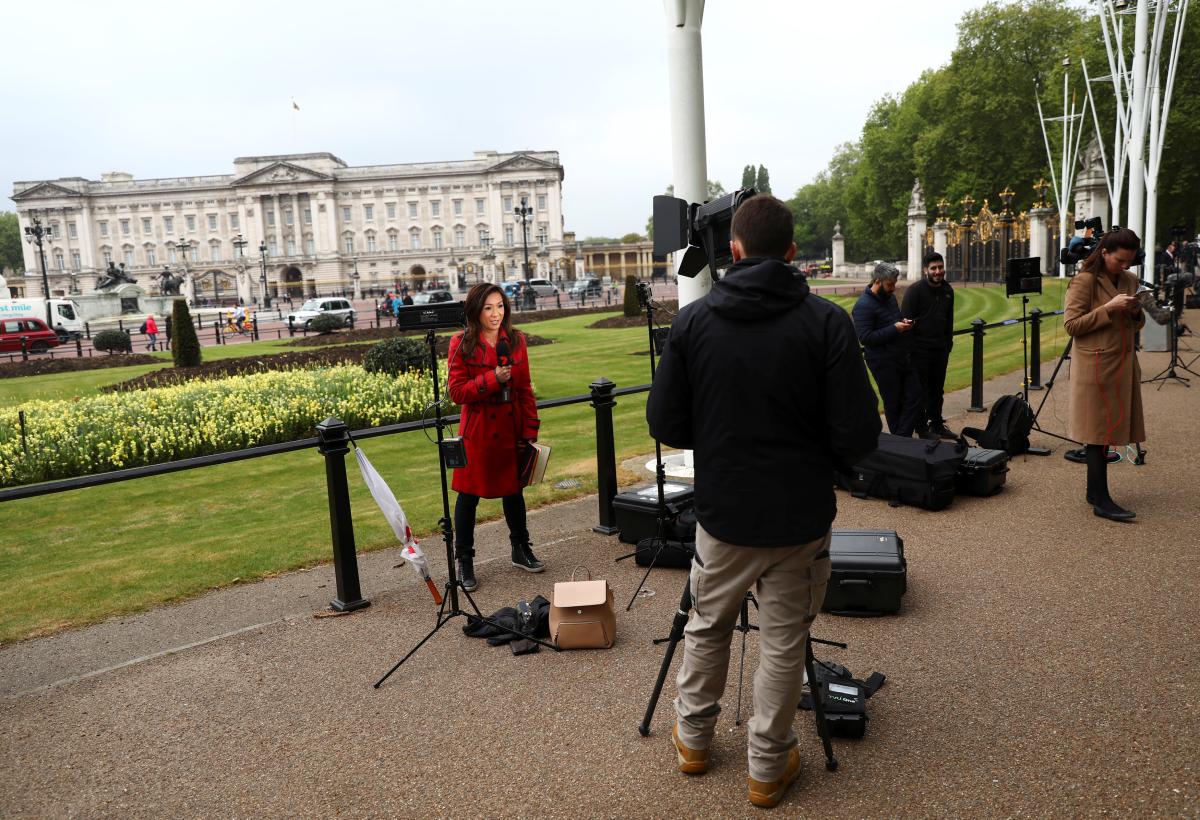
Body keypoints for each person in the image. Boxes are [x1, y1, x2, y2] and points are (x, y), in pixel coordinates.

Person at [646, 195, 881, 808]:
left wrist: (720, 437)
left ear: (734, 250)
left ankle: (694, 741)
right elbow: (858, 436)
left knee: (707, 626)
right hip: (799, 514)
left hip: (725, 512)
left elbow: (666, 421)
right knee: (782, 642)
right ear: (794, 254)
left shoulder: (694, 322)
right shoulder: (825, 321)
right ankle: (765, 767)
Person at [447, 283, 544, 591]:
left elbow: (525, 389)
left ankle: (520, 548)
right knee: (468, 497)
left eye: (500, 306)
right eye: (488, 307)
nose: (496, 313)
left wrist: (530, 431)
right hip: (476, 433)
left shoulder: (516, 341)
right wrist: (492, 379)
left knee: (514, 492)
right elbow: (457, 392)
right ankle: (465, 561)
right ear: (475, 310)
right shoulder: (460, 344)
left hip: (510, 427)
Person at [1063, 227, 1145, 522]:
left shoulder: (1130, 280)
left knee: (1108, 428)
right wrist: (1109, 307)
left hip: (1122, 364)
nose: (1124, 266)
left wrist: (1136, 312)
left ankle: (1093, 492)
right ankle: (1101, 498)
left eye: (1129, 261)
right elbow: (1072, 326)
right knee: (1098, 433)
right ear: (1105, 253)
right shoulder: (1084, 281)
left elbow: (1136, 325)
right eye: (1119, 260)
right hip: (1095, 365)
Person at [852, 262, 921, 437]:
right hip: (881, 361)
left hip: (900, 356)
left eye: (894, 283)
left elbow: (894, 320)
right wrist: (895, 328)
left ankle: (901, 439)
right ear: (877, 281)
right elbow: (865, 338)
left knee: (914, 395)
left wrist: (903, 322)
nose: (893, 288)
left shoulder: (889, 298)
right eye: (889, 284)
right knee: (893, 403)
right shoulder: (862, 306)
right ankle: (901, 442)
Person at [900, 251, 955, 437]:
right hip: (919, 350)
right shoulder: (914, 291)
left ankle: (937, 425)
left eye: (940, 267)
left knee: (937, 390)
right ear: (925, 270)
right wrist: (910, 351)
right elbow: (906, 323)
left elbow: (949, 321)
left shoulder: (948, 290)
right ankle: (922, 428)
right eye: (934, 268)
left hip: (940, 349)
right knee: (919, 391)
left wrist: (948, 344)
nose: (938, 271)